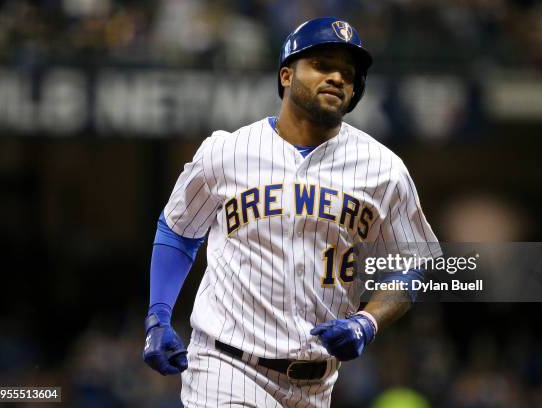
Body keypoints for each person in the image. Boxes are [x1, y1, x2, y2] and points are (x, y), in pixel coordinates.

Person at [142, 17, 440, 408]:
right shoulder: (226, 151)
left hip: (318, 384)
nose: (336, 77)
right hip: (226, 366)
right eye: (321, 65)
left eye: (347, 74)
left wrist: (367, 322)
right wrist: (159, 315)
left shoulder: (384, 170)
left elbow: (412, 263)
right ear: (286, 75)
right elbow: (178, 231)